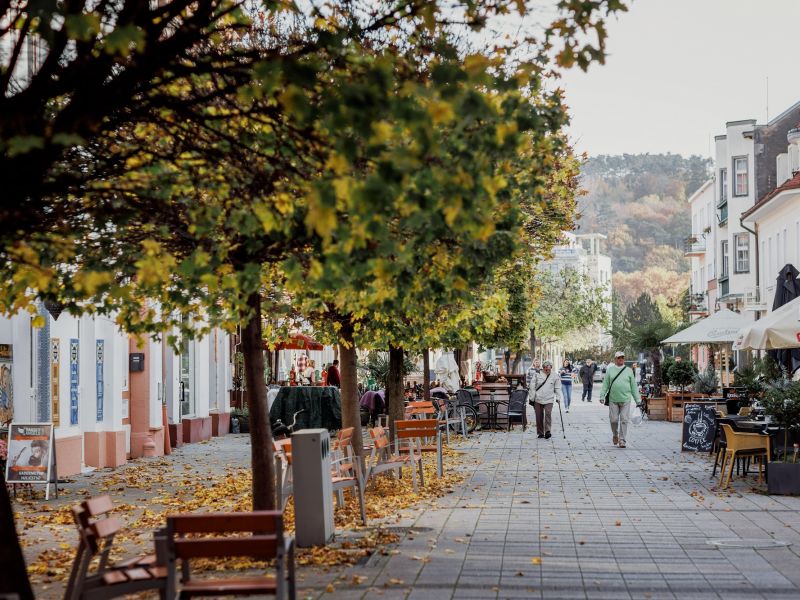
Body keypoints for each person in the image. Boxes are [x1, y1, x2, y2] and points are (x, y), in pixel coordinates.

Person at [600, 351, 640, 449]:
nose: (621, 359)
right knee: (613, 420)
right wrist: (602, 396)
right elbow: (605, 384)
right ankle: (615, 434)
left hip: (626, 399)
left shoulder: (629, 370)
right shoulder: (610, 370)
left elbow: (633, 386)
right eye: (619, 358)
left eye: (622, 357)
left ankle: (622, 440)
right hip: (613, 399)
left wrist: (637, 399)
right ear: (615, 359)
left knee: (624, 420)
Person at [528, 360, 560, 439]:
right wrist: (532, 397)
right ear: (543, 368)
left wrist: (558, 397)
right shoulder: (537, 374)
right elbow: (532, 386)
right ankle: (540, 433)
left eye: (549, 369)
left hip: (549, 398)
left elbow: (557, 388)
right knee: (539, 416)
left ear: (551, 368)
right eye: (546, 369)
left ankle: (548, 431)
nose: (547, 370)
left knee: (548, 413)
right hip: (538, 398)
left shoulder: (555, 376)